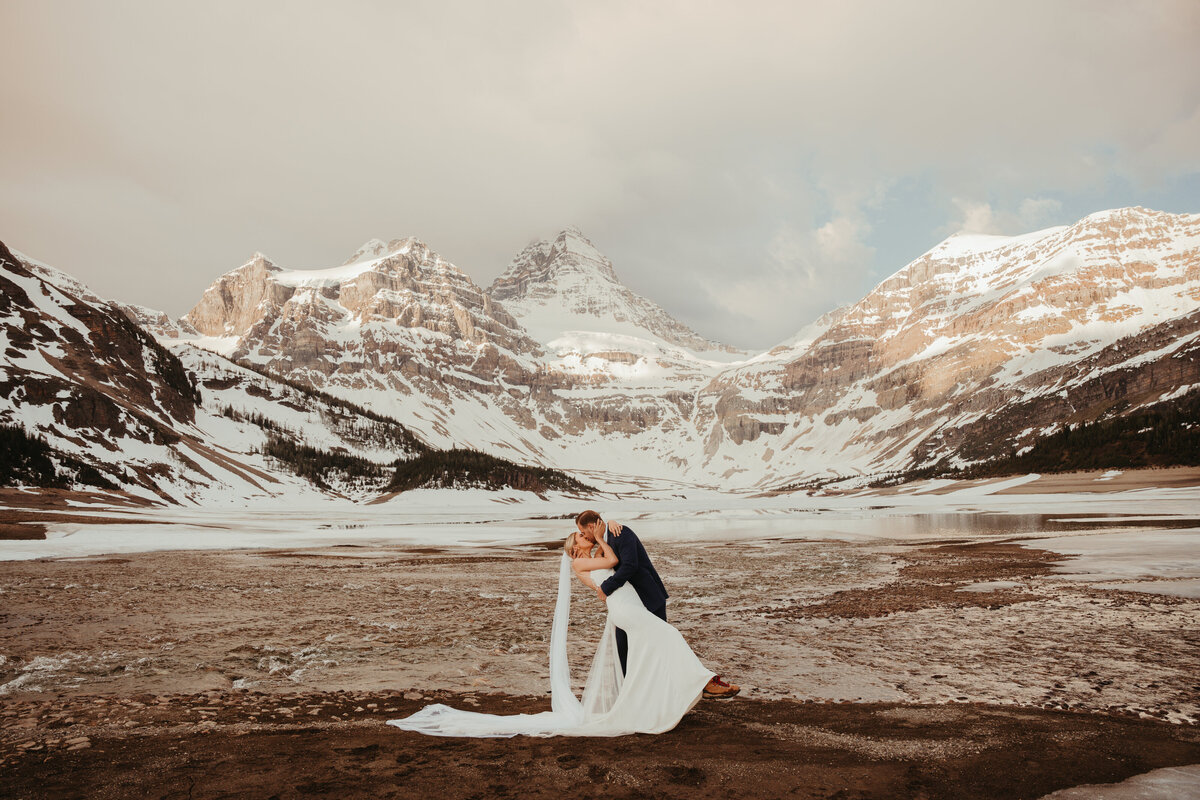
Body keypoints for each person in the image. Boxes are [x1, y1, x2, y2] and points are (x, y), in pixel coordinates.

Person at [386, 513, 738, 737]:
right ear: (576, 549)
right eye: (583, 540)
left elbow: (616, 558)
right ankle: (703, 684)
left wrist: (607, 529)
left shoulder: (600, 550)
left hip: (628, 606)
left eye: (587, 536)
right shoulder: (582, 565)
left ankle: (676, 694)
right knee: (668, 637)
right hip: (623, 609)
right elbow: (615, 563)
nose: (587, 540)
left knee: (656, 648)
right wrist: (602, 539)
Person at [572, 510, 739, 700]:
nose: (584, 536)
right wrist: (606, 529)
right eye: (580, 535)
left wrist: (610, 522)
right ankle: (638, 699)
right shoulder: (597, 550)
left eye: (583, 531)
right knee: (629, 653)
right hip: (626, 607)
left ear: (592, 527)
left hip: (647, 598)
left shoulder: (620, 533)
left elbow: (629, 565)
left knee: (660, 647)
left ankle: (693, 687)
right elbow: (613, 563)